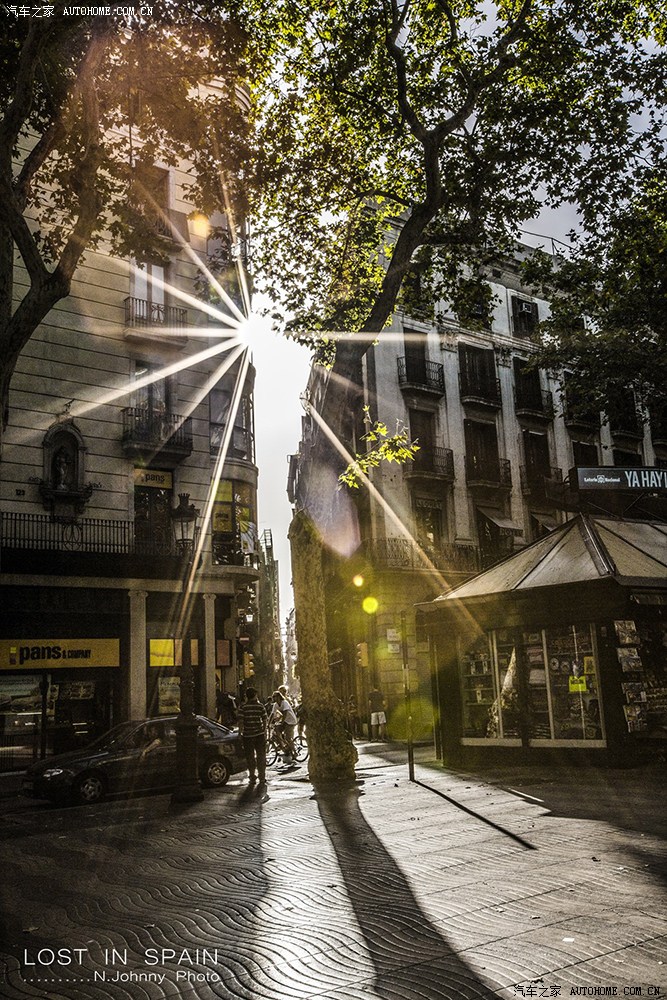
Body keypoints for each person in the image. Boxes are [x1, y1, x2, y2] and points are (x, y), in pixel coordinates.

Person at [237, 687, 268, 786]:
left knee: (250, 757)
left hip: (247, 736)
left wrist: (240, 733)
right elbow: (265, 720)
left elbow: (241, 722)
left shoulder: (243, 707)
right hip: (259, 735)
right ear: (255, 695)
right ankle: (262, 777)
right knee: (261, 756)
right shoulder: (260, 706)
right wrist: (264, 731)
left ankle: (252, 776)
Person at [271, 689, 298, 764]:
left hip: (291, 721)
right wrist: (268, 724)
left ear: (279, 697)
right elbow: (272, 714)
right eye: (273, 697)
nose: (274, 698)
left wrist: (281, 722)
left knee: (288, 738)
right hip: (285, 721)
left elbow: (285, 713)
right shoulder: (275, 705)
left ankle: (295, 752)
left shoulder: (284, 702)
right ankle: (283, 746)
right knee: (276, 730)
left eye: (275, 696)